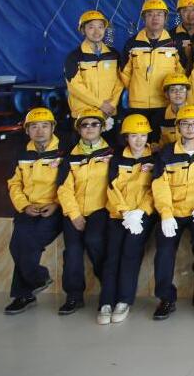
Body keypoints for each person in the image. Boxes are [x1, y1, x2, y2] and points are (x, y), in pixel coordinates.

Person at [151, 104, 194, 321]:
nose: (190, 127)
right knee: (164, 251)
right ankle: (166, 298)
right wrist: (166, 214)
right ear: (178, 127)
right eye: (185, 124)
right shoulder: (167, 153)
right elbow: (160, 185)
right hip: (173, 212)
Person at [4, 107, 64, 315]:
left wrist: (56, 203)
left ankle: (23, 295)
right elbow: (14, 184)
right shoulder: (22, 154)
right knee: (16, 245)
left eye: (45, 126)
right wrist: (24, 206)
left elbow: (69, 183)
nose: (40, 131)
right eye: (34, 127)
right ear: (27, 130)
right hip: (28, 208)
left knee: (28, 243)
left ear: (53, 128)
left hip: (54, 209)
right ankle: (38, 278)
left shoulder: (63, 152)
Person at [56, 109, 114, 315]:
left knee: (95, 241)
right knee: (72, 251)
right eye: (85, 125)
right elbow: (63, 188)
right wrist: (74, 215)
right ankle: (74, 296)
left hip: (101, 209)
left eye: (94, 124)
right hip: (75, 210)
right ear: (78, 129)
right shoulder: (70, 156)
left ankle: (109, 290)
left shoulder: (112, 154)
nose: (89, 128)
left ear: (102, 127)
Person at [98, 114, 155, 324]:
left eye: (143, 135)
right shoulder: (117, 158)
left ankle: (123, 300)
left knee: (131, 251)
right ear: (126, 137)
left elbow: (155, 189)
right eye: (133, 136)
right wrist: (124, 212)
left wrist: (139, 213)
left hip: (142, 216)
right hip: (118, 214)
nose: (139, 140)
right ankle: (106, 302)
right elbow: (111, 187)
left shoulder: (155, 158)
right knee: (112, 255)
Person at [121, 0, 188, 131]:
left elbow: (182, 73)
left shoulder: (174, 43)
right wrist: (136, 89)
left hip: (165, 104)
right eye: (150, 14)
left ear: (165, 18)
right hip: (138, 104)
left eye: (159, 14)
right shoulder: (132, 43)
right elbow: (124, 73)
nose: (155, 18)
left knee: (162, 140)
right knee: (139, 140)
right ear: (144, 18)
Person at [64, 9, 123, 125]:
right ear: (83, 30)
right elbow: (75, 87)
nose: (97, 31)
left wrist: (112, 104)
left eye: (100, 27)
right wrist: (101, 105)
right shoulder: (74, 57)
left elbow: (120, 81)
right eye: (91, 27)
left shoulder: (114, 55)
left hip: (109, 113)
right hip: (83, 115)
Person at [157, 72, 193, 147]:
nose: (178, 93)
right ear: (167, 94)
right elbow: (155, 144)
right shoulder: (158, 116)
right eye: (173, 90)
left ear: (187, 93)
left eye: (182, 89)